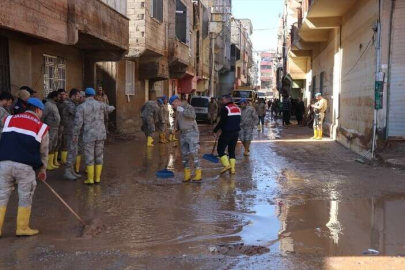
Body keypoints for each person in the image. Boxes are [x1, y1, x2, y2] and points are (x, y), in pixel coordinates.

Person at [0, 98, 49, 237]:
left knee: (1, 195)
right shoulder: (41, 126)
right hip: (25, 166)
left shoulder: (9, 119)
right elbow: (43, 151)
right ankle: (22, 228)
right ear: (38, 110)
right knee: (25, 196)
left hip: (4, 163)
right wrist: (43, 170)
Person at [73, 88, 115, 185]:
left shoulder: (81, 107)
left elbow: (78, 123)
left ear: (85, 95)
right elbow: (110, 109)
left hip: (88, 135)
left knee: (89, 156)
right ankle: (97, 179)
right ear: (94, 95)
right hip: (101, 134)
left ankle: (90, 179)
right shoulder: (100, 104)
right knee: (99, 156)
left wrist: (75, 134)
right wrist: (113, 107)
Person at [169, 95, 202, 182]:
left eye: (173, 104)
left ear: (176, 101)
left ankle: (198, 174)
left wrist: (183, 110)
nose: (172, 106)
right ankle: (187, 175)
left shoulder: (188, 107)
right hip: (183, 134)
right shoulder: (177, 111)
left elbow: (193, 116)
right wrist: (174, 128)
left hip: (192, 133)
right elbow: (177, 121)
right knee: (184, 155)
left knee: (194, 153)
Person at [213, 95, 241, 175]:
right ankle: (232, 170)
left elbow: (222, 121)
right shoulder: (237, 108)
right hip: (236, 133)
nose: (222, 101)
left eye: (222, 100)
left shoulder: (225, 108)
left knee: (220, 149)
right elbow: (238, 120)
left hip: (227, 133)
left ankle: (226, 165)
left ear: (226, 100)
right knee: (231, 151)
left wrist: (216, 130)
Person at [62, 89, 83, 180]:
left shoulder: (74, 103)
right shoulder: (67, 103)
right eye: (78, 96)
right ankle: (67, 172)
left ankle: (71, 171)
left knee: (74, 151)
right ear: (73, 95)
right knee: (71, 151)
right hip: (70, 131)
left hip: (74, 131)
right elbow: (77, 112)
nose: (79, 98)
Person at [42, 91, 61, 171]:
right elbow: (43, 116)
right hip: (49, 128)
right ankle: (46, 164)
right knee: (49, 145)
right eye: (58, 96)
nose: (59, 98)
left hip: (55, 128)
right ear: (54, 97)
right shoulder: (48, 104)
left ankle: (51, 162)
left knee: (54, 145)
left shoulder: (54, 104)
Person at [56, 89, 67, 164]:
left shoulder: (68, 103)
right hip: (59, 124)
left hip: (66, 124)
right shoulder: (57, 104)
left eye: (64, 94)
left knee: (65, 141)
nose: (62, 96)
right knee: (58, 140)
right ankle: (57, 156)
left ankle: (64, 158)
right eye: (61, 94)